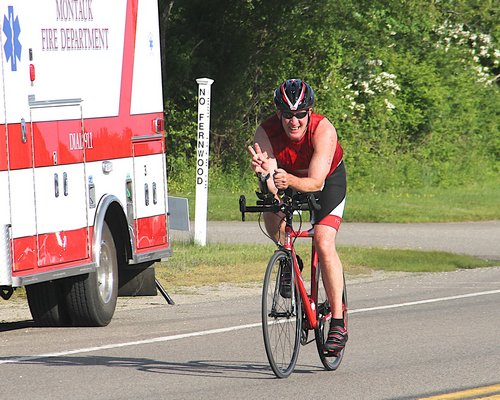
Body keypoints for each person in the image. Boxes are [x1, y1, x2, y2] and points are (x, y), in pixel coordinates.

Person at [248, 79, 347, 353]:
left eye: (300, 114)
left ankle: (338, 321)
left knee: (325, 242)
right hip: (287, 179)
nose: (294, 121)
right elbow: (271, 181)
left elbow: (316, 182)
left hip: (326, 182)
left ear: (309, 112)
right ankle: (291, 259)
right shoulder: (266, 132)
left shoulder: (323, 130)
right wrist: (264, 177)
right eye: (288, 115)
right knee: (270, 207)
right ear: (278, 113)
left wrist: (285, 179)